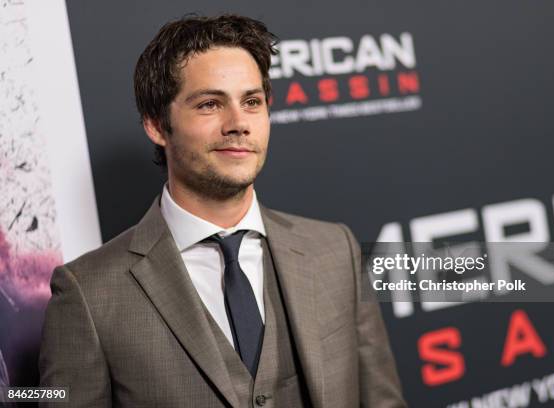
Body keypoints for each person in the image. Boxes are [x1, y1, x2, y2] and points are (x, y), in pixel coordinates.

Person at [39, 14, 407, 408]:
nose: (238, 124)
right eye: (210, 104)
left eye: (251, 102)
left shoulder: (335, 250)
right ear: (156, 125)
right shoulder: (88, 294)